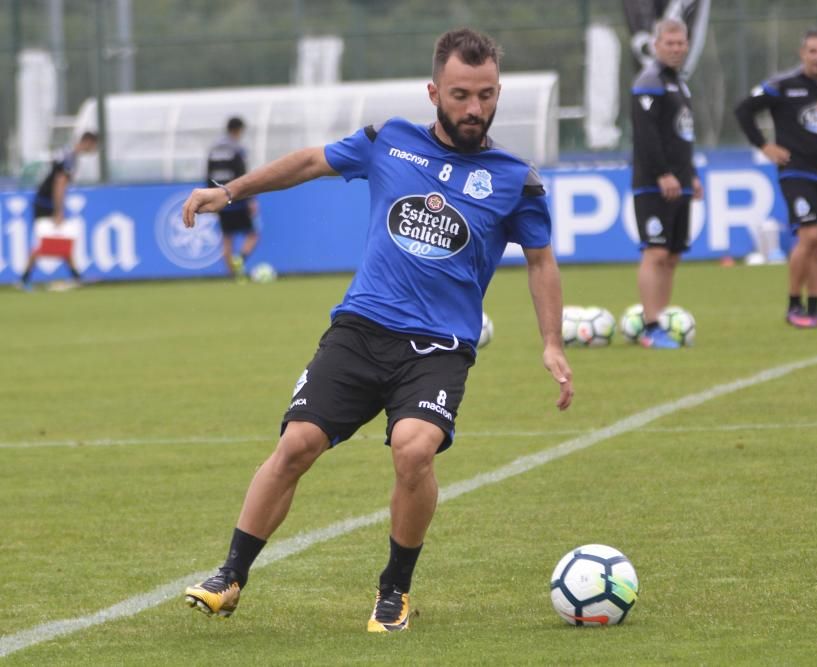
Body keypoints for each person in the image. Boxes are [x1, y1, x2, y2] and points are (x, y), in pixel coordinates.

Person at [180, 28, 574, 633]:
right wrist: (229, 191)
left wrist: (551, 341)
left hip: (440, 347)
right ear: (434, 92)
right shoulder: (388, 140)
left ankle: (394, 591)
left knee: (413, 449)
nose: (475, 108)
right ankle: (230, 576)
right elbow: (311, 161)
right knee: (296, 445)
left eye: (487, 95)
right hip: (361, 329)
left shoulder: (514, 179)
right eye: (461, 94)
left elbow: (542, 260)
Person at [734, 28, 817, 328]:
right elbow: (743, 110)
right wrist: (765, 146)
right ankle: (793, 306)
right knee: (809, 235)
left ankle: (814, 310)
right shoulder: (783, 85)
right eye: (812, 51)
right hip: (795, 170)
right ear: (802, 54)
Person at [629, 18, 703, 349]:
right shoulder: (650, 80)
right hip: (654, 183)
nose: (675, 48)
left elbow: (681, 134)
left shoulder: (679, 82)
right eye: (669, 43)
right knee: (655, 251)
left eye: (680, 43)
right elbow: (646, 135)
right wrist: (662, 173)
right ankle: (650, 325)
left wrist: (692, 175)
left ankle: (661, 319)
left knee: (672, 256)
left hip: (681, 180)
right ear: (656, 45)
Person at [17, 132, 100, 290]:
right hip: (46, 204)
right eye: (93, 146)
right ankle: (24, 279)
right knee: (45, 242)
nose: (93, 150)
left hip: (45, 201)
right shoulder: (70, 158)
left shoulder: (66, 153)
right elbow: (59, 183)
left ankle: (76, 276)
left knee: (62, 240)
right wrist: (58, 211)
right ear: (87, 142)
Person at [207, 116, 259, 280]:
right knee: (253, 234)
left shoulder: (213, 150)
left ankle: (233, 276)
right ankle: (240, 260)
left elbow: (208, 175)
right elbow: (243, 175)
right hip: (237, 199)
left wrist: (210, 197)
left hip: (219, 200)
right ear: (237, 130)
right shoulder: (237, 149)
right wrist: (250, 199)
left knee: (227, 239)